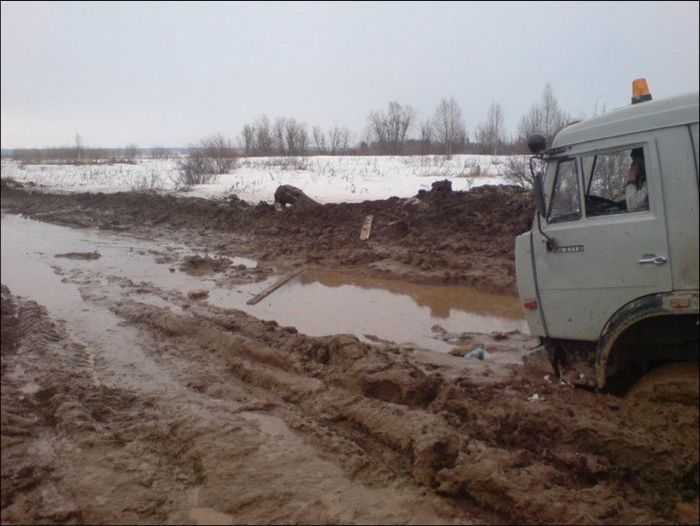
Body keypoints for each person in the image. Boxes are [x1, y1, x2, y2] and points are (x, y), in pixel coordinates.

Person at [625, 147, 648, 211]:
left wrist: (631, 179)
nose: (632, 164)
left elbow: (632, 206)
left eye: (635, 160)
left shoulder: (652, 179)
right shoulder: (643, 179)